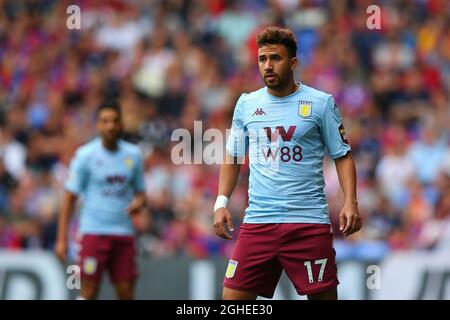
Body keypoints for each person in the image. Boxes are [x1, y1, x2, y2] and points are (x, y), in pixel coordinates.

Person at [213, 26, 362, 300]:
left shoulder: (320, 103)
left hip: (307, 223)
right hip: (258, 222)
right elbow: (233, 157)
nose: (268, 66)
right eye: (262, 59)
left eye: (275, 59)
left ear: (293, 62)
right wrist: (221, 203)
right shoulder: (246, 104)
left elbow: (342, 155)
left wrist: (350, 201)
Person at [55, 101, 146, 300]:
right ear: (97, 125)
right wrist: (62, 239)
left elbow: (141, 193)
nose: (110, 126)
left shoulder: (133, 155)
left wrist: (139, 203)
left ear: (121, 123)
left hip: (123, 233)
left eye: (115, 121)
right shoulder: (85, 155)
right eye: (105, 121)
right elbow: (69, 198)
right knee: (89, 291)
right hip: (93, 232)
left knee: (126, 292)